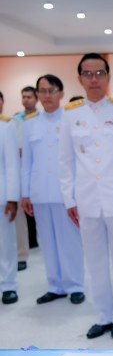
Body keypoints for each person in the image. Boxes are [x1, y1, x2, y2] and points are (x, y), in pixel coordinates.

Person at [59, 53, 113, 339]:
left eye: (99, 73)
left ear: (108, 77)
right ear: (79, 78)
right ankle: (103, 315)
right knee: (95, 261)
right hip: (86, 200)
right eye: (88, 73)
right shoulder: (71, 114)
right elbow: (65, 162)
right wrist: (70, 200)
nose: (94, 79)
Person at [21, 74, 85, 305]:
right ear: (37, 94)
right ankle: (55, 285)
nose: (47, 95)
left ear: (61, 93)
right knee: (47, 242)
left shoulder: (71, 119)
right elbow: (26, 162)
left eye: (51, 90)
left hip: (65, 193)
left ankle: (75, 285)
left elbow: (78, 160)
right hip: (40, 192)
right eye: (42, 91)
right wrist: (25, 193)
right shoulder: (29, 124)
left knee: (70, 241)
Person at [14, 86, 39, 251]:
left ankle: (38, 236)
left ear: (36, 98)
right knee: (25, 202)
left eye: (29, 97)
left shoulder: (42, 117)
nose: (26, 100)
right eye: (24, 97)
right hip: (21, 167)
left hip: (38, 167)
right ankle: (30, 240)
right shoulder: (15, 120)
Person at [0, 108, 20, 305]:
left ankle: (8, 286)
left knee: (5, 244)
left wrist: (12, 198)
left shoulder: (5, 127)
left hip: (2, 196)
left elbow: (12, 165)